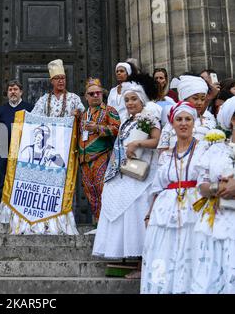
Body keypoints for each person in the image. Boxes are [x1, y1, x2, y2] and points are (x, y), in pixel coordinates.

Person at [93, 80, 161, 279]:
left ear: (142, 100)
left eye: (134, 99)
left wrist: (138, 142)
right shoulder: (126, 121)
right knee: (120, 211)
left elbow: (157, 140)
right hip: (122, 171)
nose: (130, 103)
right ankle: (127, 258)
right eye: (127, 100)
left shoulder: (149, 117)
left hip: (140, 174)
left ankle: (143, 263)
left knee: (137, 211)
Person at [141, 102, 205, 294]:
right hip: (165, 210)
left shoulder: (203, 149)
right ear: (173, 124)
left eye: (188, 119)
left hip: (194, 208)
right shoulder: (166, 156)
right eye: (179, 119)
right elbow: (156, 188)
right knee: (165, 253)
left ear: (194, 122)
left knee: (191, 253)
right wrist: (149, 214)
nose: (183, 123)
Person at [190, 96, 235, 294]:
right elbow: (202, 185)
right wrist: (219, 189)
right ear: (232, 120)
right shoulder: (216, 149)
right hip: (217, 218)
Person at [79, 78, 120, 224]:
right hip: (84, 160)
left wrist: (98, 128)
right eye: (92, 94)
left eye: (98, 93)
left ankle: (107, 225)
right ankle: (97, 223)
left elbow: (117, 129)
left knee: (103, 190)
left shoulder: (109, 111)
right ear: (86, 96)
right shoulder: (83, 115)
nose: (96, 96)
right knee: (90, 193)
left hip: (102, 156)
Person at [0, 80, 34, 201]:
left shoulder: (29, 108)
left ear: (21, 92)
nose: (13, 92)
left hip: (24, 151)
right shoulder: (1, 110)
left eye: (15, 89)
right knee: (4, 180)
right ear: (7, 93)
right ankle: (3, 211)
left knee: (23, 181)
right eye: (10, 90)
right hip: (5, 150)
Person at [159, 75, 216, 150]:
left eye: (202, 99)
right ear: (184, 99)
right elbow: (162, 152)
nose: (199, 103)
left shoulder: (209, 121)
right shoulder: (170, 125)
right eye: (195, 98)